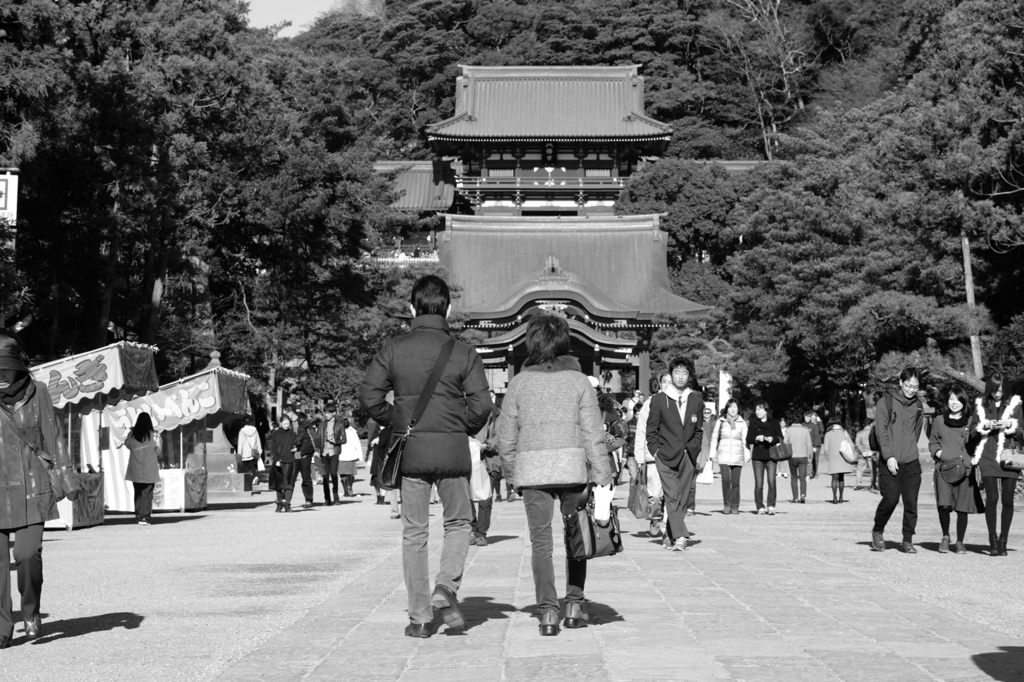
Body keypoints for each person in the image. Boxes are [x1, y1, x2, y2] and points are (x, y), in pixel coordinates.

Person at [360, 275, 492, 638]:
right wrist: (457, 426)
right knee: (459, 523)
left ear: (412, 308)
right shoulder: (464, 352)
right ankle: (446, 587)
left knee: (414, 533)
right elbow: (483, 405)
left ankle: (419, 618)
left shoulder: (393, 349)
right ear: (447, 309)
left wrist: (397, 421)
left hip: (412, 453)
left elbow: (370, 399)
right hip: (451, 452)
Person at [495, 315, 613, 636]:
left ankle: (548, 612)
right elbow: (593, 433)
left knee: (541, 543)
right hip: (573, 470)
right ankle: (574, 604)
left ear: (531, 342)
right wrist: (603, 473)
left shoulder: (519, 383)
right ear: (564, 342)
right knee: (577, 535)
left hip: (533, 473)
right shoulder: (578, 382)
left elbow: (505, 436)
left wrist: (510, 473)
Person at [0, 334, 75, 647]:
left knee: (27, 555)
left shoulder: (39, 392)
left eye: (5, 367)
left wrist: (66, 475)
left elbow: (53, 436)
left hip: (33, 485)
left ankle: (30, 610)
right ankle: (3, 626)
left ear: (18, 367)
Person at [645, 357, 704, 550]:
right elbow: (651, 429)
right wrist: (656, 452)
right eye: (676, 373)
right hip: (665, 456)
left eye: (684, 373)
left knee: (684, 499)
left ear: (689, 376)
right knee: (671, 496)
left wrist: (694, 447)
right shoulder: (660, 400)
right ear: (671, 375)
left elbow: (699, 429)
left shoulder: (695, 399)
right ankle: (681, 536)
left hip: (688, 454)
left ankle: (670, 535)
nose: (680, 377)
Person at [871, 368, 926, 553]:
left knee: (911, 502)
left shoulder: (918, 405)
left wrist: (910, 449)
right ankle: (878, 530)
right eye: (909, 385)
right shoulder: (885, 402)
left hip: (911, 460)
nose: (912, 389)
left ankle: (908, 539)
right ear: (900, 383)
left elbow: (916, 432)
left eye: (915, 387)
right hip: (890, 460)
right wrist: (889, 456)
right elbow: (881, 431)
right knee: (891, 498)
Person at [970, 372, 1023, 556]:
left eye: (1000, 389)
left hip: (1011, 453)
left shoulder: (1015, 404)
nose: (997, 393)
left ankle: (1003, 541)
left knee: (1008, 500)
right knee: (992, 498)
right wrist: (983, 426)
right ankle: (992, 539)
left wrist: (1010, 425)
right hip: (988, 454)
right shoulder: (981, 405)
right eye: (994, 390)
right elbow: (972, 431)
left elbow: (1022, 433)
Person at [931, 386, 983, 554]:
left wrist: (973, 459)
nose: (954, 403)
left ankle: (960, 541)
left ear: (964, 402)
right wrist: (942, 455)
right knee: (944, 505)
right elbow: (933, 443)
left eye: (958, 400)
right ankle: (945, 536)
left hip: (965, 470)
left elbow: (978, 441)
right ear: (947, 401)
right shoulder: (939, 420)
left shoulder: (970, 421)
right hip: (944, 468)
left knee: (962, 508)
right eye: (951, 399)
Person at [630, 373, 671, 538]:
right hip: (653, 456)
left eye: (670, 381)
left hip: (673, 456)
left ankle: (669, 525)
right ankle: (655, 518)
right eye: (665, 382)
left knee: (671, 495)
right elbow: (641, 431)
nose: (668, 384)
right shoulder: (650, 403)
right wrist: (639, 456)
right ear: (659, 384)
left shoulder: (681, 403)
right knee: (654, 495)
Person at [709, 399, 749, 514]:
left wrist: (747, 455)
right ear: (727, 408)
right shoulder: (720, 421)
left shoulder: (742, 423)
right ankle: (726, 504)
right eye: (730, 407)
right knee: (726, 480)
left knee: (735, 482)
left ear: (738, 409)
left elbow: (745, 440)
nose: (732, 409)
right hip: (723, 455)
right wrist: (712, 454)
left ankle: (735, 506)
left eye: (735, 407)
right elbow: (714, 438)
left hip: (737, 456)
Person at [124, 413, 162, 525]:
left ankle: (139, 516)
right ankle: (145, 517)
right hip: (149, 468)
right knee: (147, 494)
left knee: (138, 493)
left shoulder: (132, 434)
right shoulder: (155, 435)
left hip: (135, 468)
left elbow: (127, 444)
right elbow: (159, 451)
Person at [746, 401, 783, 515]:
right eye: (756, 410)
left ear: (766, 411)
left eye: (760, 409)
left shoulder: (775, 423)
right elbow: (748, 439)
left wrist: (773, 439)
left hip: (771, 456)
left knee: (772, 481)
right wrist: (757, 438)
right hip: (758, 456)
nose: (757, 412)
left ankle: (771, 505)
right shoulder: (753, 423)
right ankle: (760, 506)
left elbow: (780, 437)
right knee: (759, 483)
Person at [269, 416, 299, 512]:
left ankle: (287, 505)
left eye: (288, 424)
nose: (286, 426)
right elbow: (273, 448)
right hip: (279, 462)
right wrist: (276, 459)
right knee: (279, 484)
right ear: (280, 423)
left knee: (289, 484)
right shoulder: (276, 434)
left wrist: (297, 448)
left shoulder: (293, 434)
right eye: (285, 424)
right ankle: (278, 504)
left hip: (290, 461)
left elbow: (298, 444)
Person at [822, 418, 855, 504]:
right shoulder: (845, 433)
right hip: (843, 457)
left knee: (834, 478)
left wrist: (827, 456)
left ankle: (834, 497)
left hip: (833, 457)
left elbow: (825, 448)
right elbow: (852, 445)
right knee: (841, 478)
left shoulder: (828, 434)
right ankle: (841, 497)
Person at [318, 405, 346, 505]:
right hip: (324, 453)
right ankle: (327, 498)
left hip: (334, 452)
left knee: (334, 474)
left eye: (329, 413)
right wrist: (317, 451)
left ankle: (335, 495)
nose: (326, 414)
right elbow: (318, 439)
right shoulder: (321, 424)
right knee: (325, 476)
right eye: (325, 412)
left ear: (334, 413)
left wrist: (335, 441)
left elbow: (344, 440)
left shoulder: (339, 424)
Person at [785, 413, 812, 503]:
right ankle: (803, 494)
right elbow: (809, 444)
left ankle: (795, 497)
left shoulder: (788, 430)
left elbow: (785, 442)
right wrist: (809, 456)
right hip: (803, 455)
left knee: (793, 477)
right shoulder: (805, 430)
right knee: (802, 477)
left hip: (792, 456)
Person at [337, 417, 361, 498]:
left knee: (343, 474)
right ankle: (349, 487)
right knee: (349, 473)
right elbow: (358, 444)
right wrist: (359, 456)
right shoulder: (352, 432)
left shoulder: (340, 431)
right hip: (349, 455)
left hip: (343, 455)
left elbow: (357, 444)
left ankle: (346, 490)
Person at [237, 416, 262, 485]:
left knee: (244, 466)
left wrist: (239, 453)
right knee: (251, 465)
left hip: (245, 452)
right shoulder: (255, 430)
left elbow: (240, 443)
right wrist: (259, 450)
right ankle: (255, 476)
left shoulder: (242, 431)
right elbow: (258, 441)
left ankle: (244, 481)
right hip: (253, 452)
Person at [854, 420, 874, 492]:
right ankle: (873, 484)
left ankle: (858, 483)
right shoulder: (873, 433)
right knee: (873, 470)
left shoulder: (859, 433)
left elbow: (857, 444)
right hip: (872, 453)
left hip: (862, 454)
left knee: (859, 469)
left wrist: (863, 451)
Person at [807, 411, 823, 479]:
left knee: (816, 459)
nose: (813, 419)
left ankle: (815, 472)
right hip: (810, 444)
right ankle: (809, 472)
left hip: (817, 444)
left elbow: (822, 429)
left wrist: (819, 421)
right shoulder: (808, 425)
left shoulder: (818, 425)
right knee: (810, 459)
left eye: (814, 418)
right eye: (812, 418)